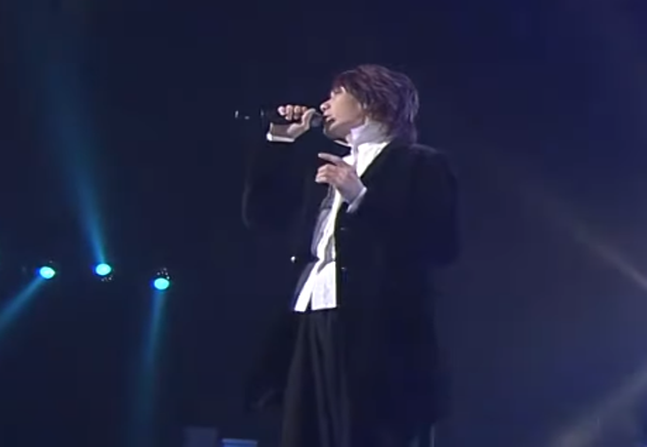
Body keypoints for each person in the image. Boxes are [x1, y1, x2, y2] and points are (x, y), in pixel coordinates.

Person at [241, 64, 459, 447]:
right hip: (312, 312)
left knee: (364, 432)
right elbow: (264, 216)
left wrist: (361, 198)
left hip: (375, 327)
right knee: (306, 432)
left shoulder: (419, 163)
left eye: (336, 94)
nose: (324, 105)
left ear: (370, 101)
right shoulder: (326, 165)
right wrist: (279, 141)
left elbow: (440, 244)